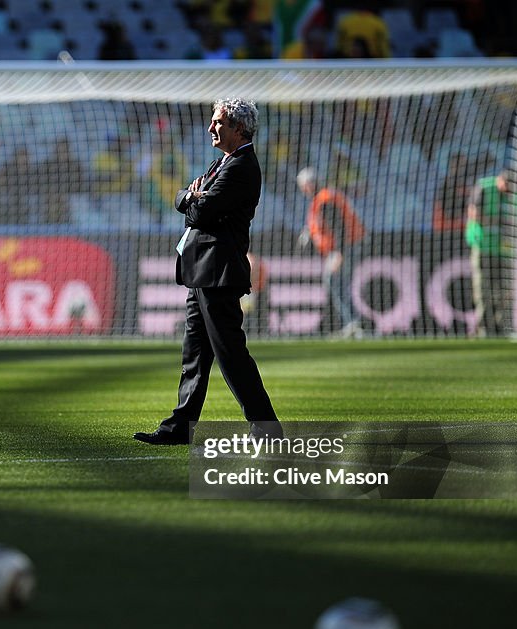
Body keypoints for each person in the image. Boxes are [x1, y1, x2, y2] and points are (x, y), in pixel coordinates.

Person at [134, 98, 281, 445]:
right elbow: (184, 198)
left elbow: (201, 212)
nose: (211, 127)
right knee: (196, 354)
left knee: (230, 353)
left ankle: (266, 427)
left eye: (218, 122)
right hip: (202, 270)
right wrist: (191, 197)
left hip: (219, 271)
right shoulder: (224, 162)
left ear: (239, 128)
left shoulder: (241, 166)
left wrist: (192, 200)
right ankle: (180, 427)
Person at [296, 167, 365, 337]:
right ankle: (352, 323)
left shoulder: (326, 199)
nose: (304, 190)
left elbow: (339, 226)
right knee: (337, 282)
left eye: (304, 186)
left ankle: (353, 323)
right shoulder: (321, 199)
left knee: (334, 280)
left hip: (346, 247)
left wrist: (338, 253)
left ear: (310, 184)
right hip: (342, 247)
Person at [465, 173, 511, 336]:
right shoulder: (484, 187)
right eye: (507, 185)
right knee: (482, 289)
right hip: (482, 246)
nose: (508, 190)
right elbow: (473, 214)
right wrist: (496, 221)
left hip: (501, 249)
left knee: (502, 290)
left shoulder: (512, 194)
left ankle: (501, 328)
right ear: (501, 179)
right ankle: (482, 328)